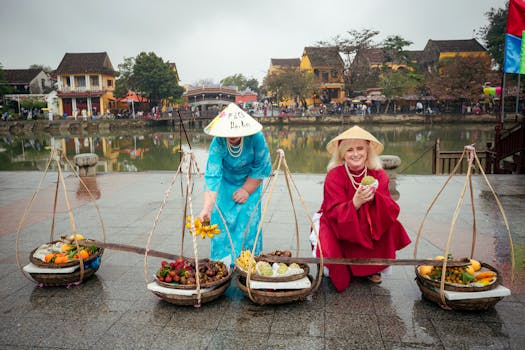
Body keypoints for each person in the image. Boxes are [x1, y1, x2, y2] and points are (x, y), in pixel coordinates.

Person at [311, 125, 411, 291]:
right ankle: (346, 268)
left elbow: (389, 208)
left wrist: (374, 199)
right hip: (340, 222)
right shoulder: (334, 175)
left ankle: (372, 268)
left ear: (367, 152)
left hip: (370, 219)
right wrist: (355, 203)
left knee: (390, 225)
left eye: (360, 148)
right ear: (342, 154)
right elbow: (333, 211)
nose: (356, 154)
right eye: (350, 150)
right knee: (328, 233)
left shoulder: (378, 174)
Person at [198, 103, 272, 265]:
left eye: (237, 131)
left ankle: (247, 265)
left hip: (250, 183)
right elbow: (212, 175)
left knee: (248, 226)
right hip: (224, 185)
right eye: (228, 132)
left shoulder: (256, 138)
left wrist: (246, 189)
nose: (232, 135)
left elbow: (262, 166)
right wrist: (207, 208)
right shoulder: (218, 143)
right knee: (221, 224)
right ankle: (222, 266)